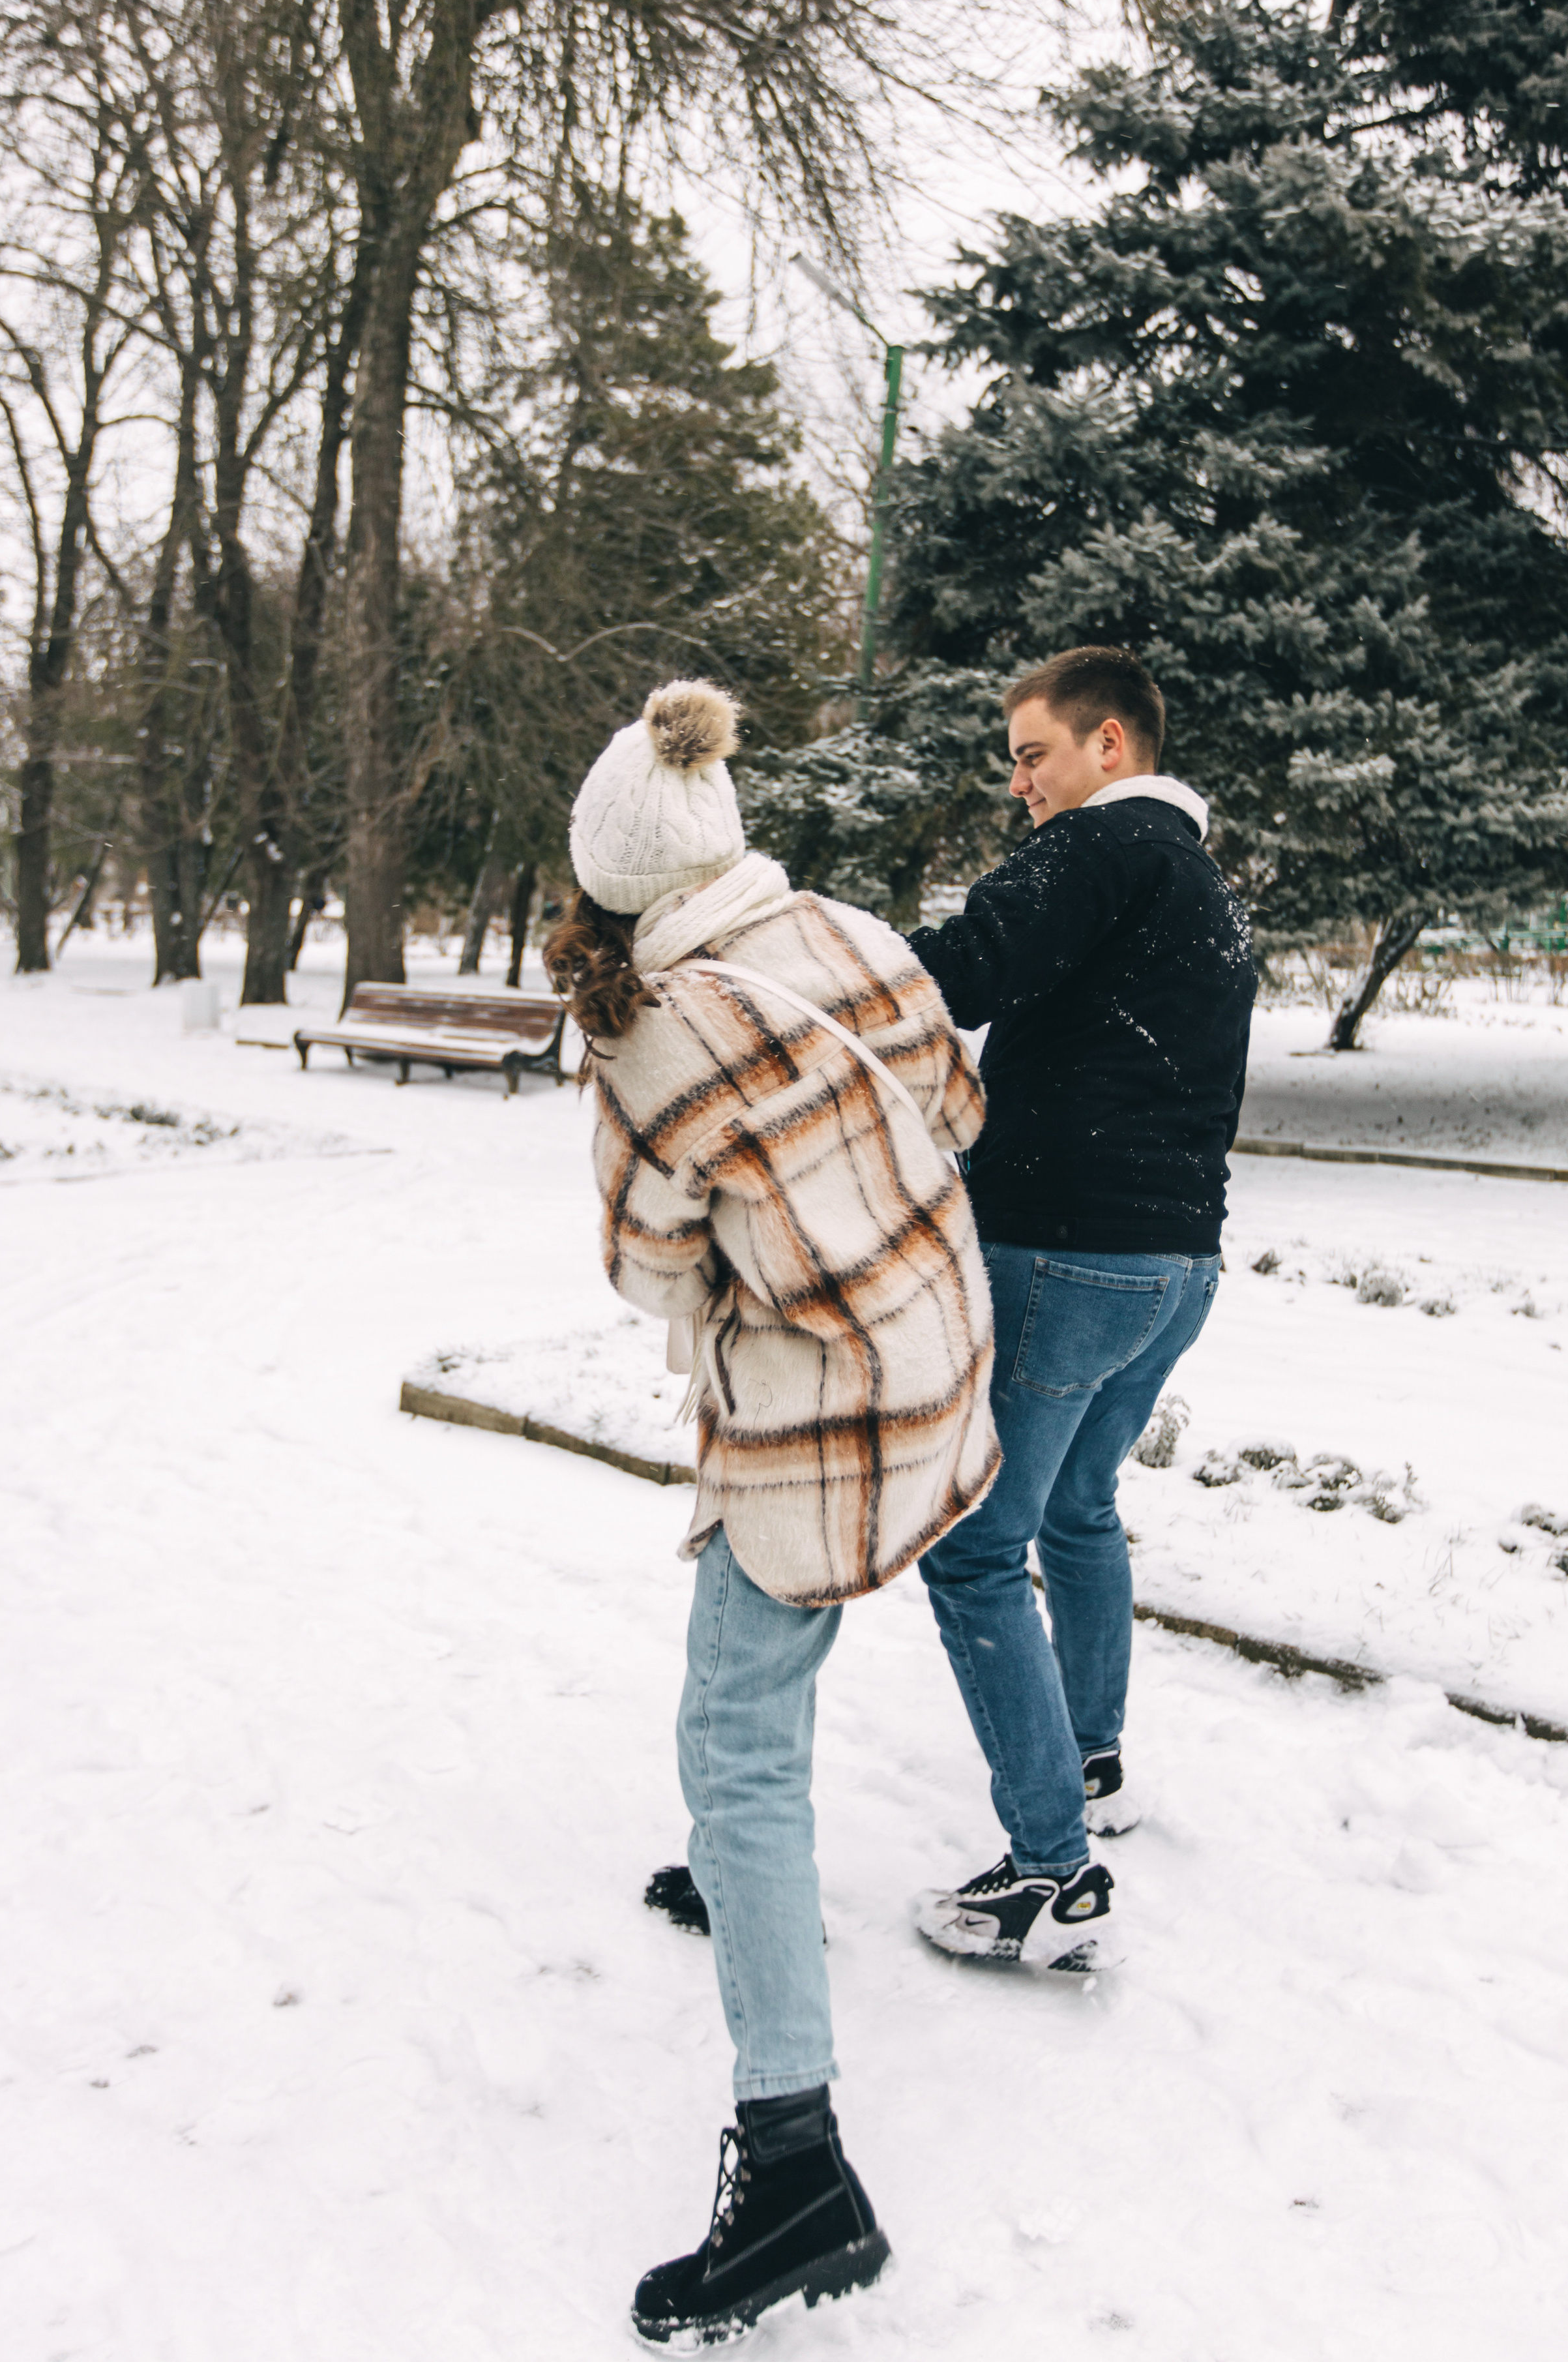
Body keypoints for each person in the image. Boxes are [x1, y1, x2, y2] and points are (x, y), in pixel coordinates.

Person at [545, 678, 1002, 2346]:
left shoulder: (654, 1031)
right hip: (941, 1363)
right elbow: (958, 1107)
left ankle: (799, 2170)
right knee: (765, 1687)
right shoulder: (845, 925)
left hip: (817, 1420)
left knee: (734, 1736)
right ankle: (736, 1884)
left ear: (606, 883)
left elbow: (644, 1263)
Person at [903, 646, 1256, 1969]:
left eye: (1030, 753)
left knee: (975, 1552)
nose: (1018, 786)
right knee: (1079, 1510)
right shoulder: (1203, 890)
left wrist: (793, 957)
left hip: (1061, 1257)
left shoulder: (1097, 851)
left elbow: (949, 974)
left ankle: (1050, 1871)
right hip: (1177, 1272)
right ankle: (1091, 1754)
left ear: (1108, 748)